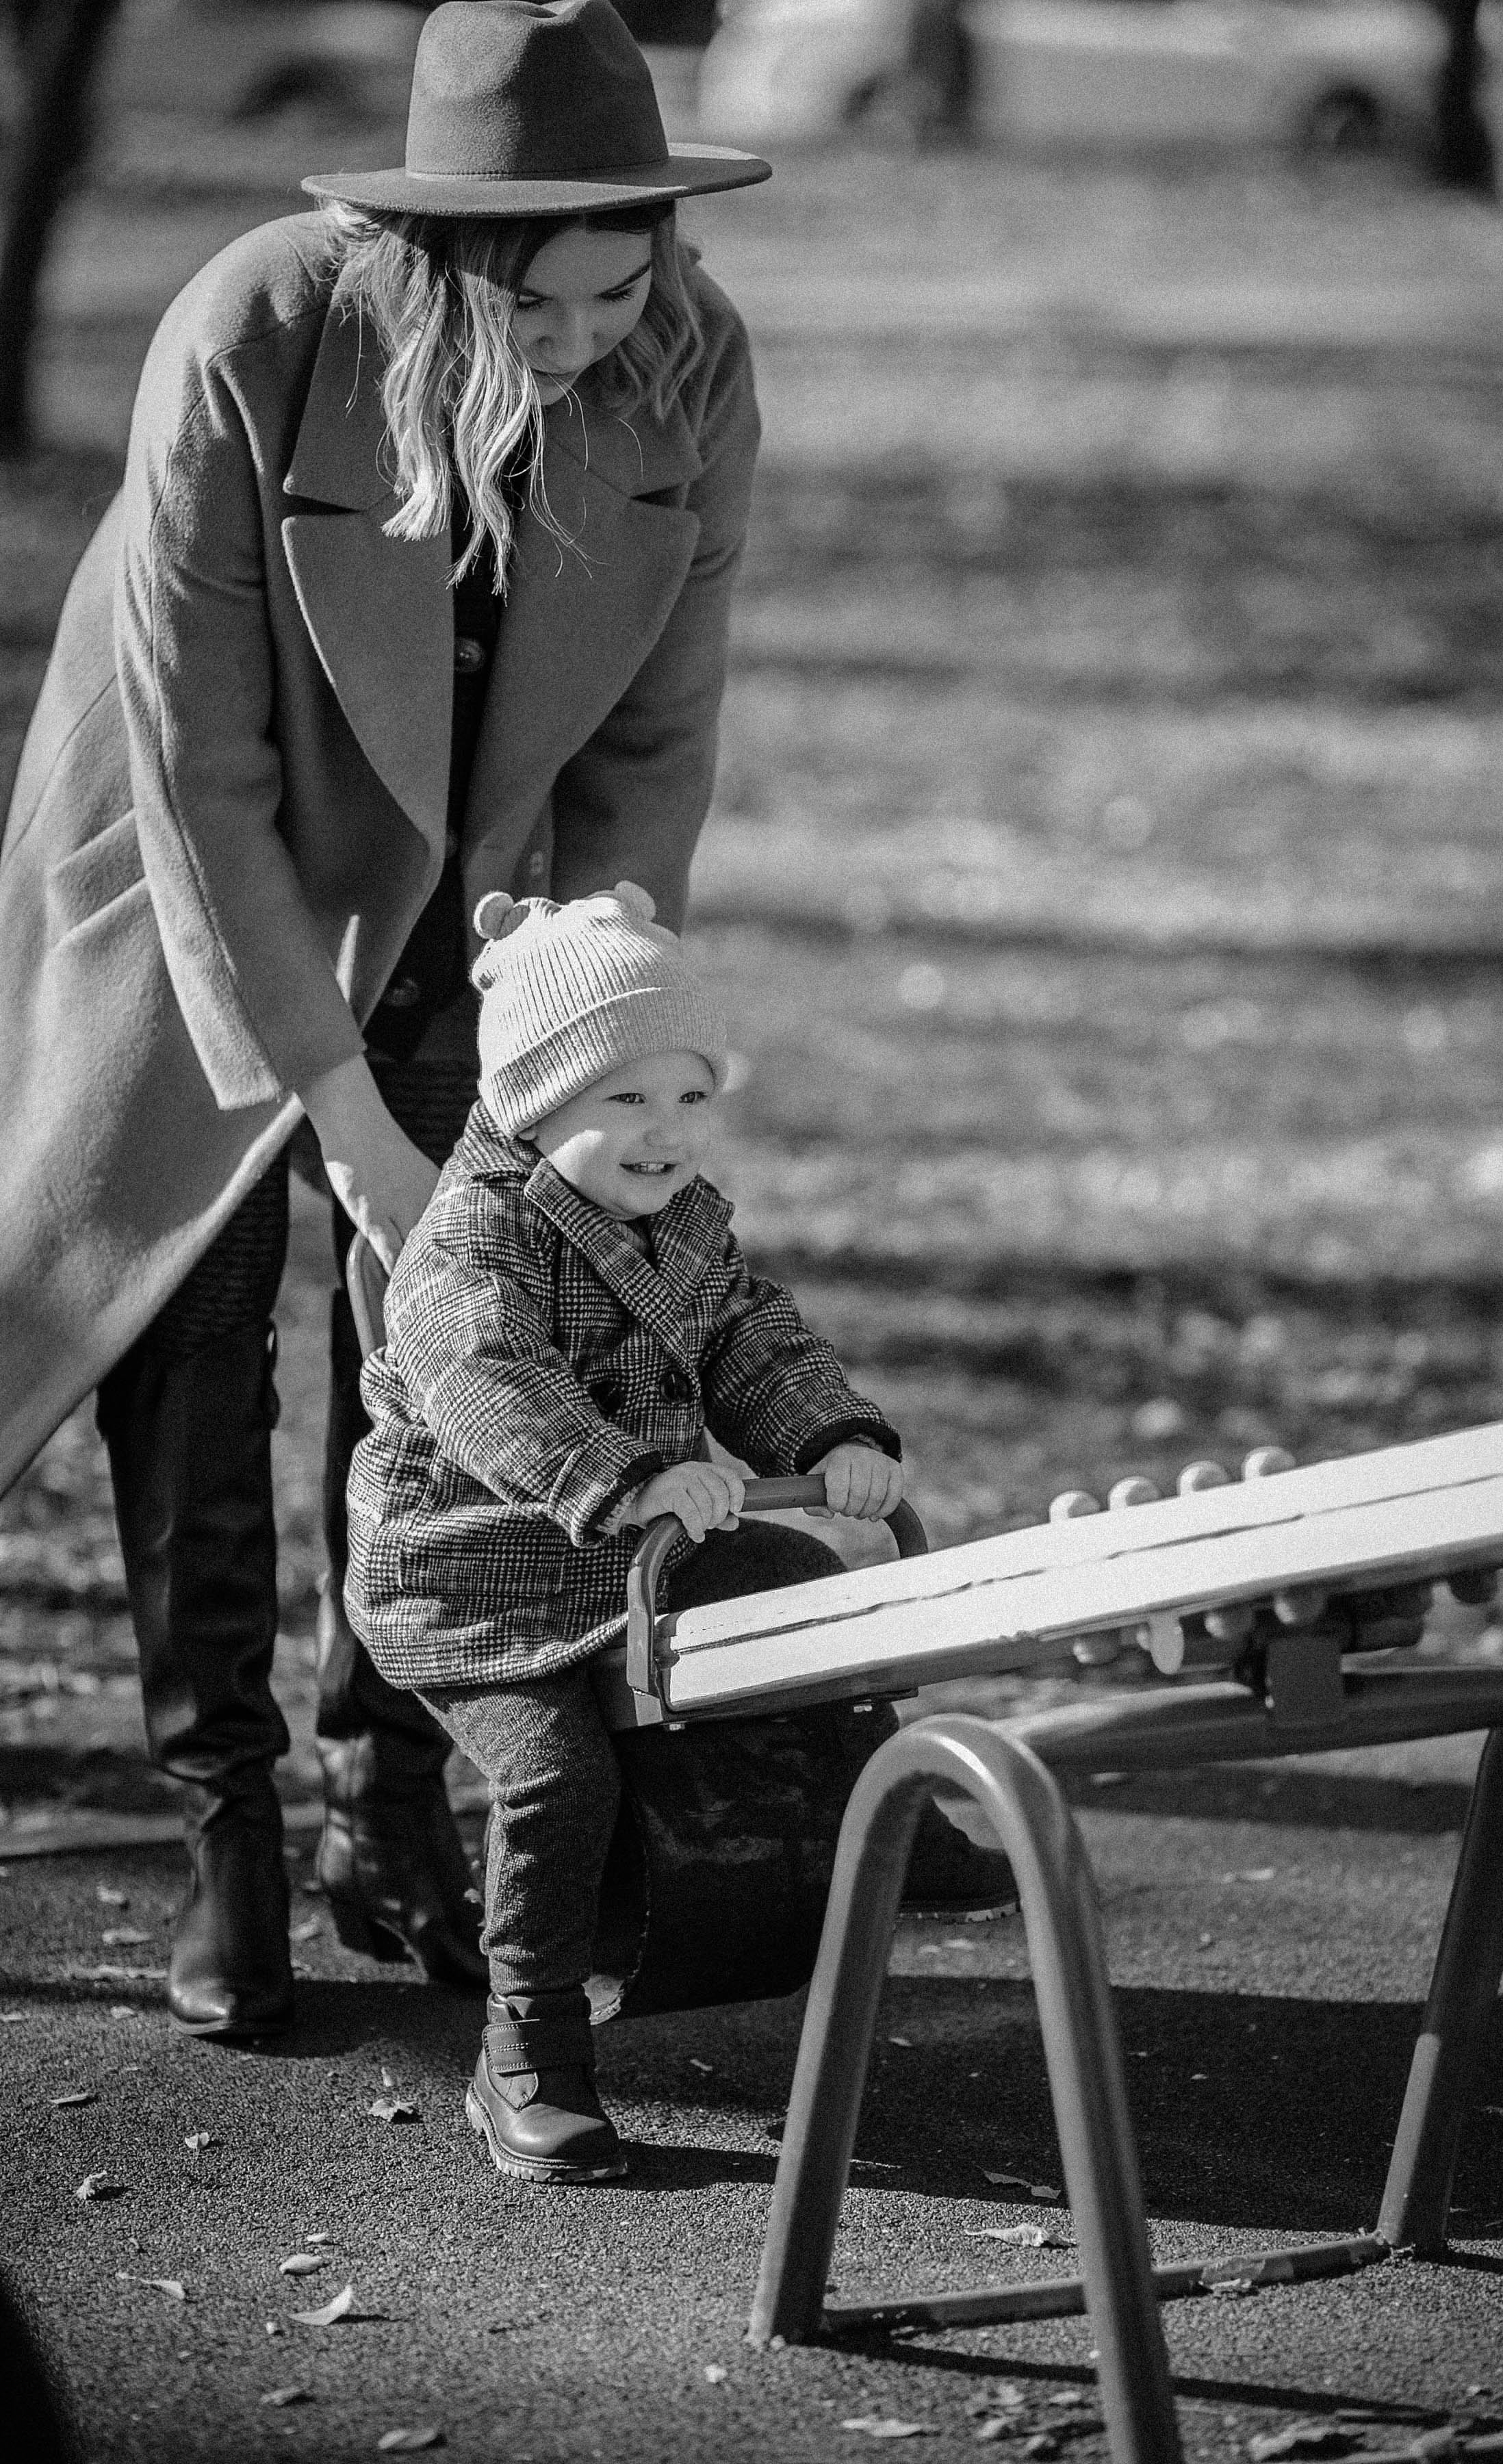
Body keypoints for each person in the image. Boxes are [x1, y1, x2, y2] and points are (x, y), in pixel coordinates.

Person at [0, 0, 773, 2039]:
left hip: (482, 884)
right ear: (438, 268)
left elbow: (654, 751)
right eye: (548, 310)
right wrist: (340, 1117)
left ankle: (393, 1795)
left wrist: (591, 1025)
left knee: (461, 1333)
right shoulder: (250, 334)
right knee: (191, 1311)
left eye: (630, 287)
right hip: (176, 871)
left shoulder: (684, 361)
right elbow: (206, 772)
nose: (595, 338)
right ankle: (219, 1818)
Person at [345, 882, 913, 2181]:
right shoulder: (471, 1246)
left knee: (797, 1598)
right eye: (626, 1101)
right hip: (473, 1566)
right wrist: (629, 1476)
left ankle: (853, 1835)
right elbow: (495, 1388)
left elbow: (752, 1340)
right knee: (558, 1772)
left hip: (630, 1546)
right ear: (537, 1107)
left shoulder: (686, 1224)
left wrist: (827, 1439)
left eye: (690, 1098)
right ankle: (527, 2051)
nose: (668, 1132)